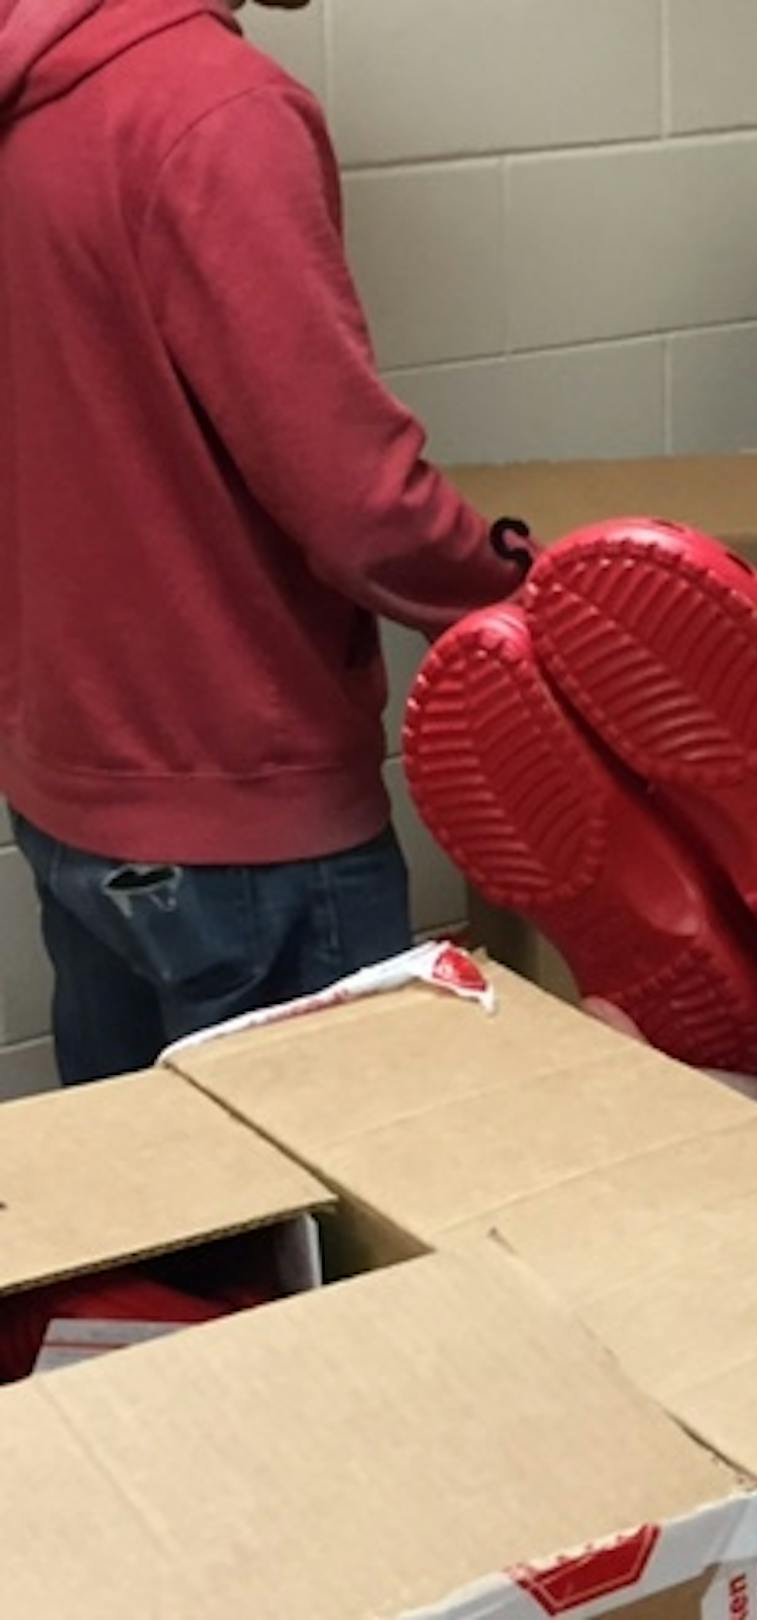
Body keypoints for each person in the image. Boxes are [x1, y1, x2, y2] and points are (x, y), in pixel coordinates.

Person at [0, 0, 526, 1082]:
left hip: (73, 794)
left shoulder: (30, 100)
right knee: (337, 1236)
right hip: (244, 813)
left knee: (154, 1230)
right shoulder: (214, 109)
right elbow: (353, 497)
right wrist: (525, 592)